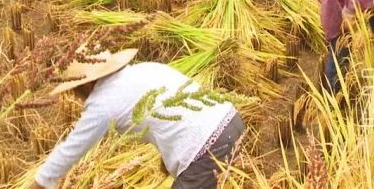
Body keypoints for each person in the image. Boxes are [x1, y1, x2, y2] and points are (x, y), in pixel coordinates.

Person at [29, 48, 244, 189]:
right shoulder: (145, 69)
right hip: (232, 122)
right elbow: (176, 114)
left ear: (85, 84)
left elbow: (70, 150)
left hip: (209, 147)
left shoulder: (103, 102)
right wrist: (169, 159)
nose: (77, 96)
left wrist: (38, 184)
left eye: (75, 90)